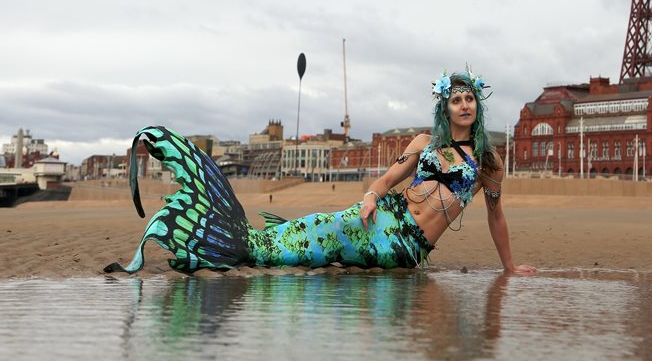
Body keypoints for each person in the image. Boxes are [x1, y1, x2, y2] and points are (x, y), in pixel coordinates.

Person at [105, 67, 536, 275]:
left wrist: (510, 267)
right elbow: (385, 182)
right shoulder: (424, 144)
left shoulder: (488, 163)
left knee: (327, 239)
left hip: (408, 247)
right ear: (445, 107)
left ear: (477, 106)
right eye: (455, 99)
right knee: (319, 229)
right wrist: (369, 197)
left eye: (469, 100)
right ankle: (222, 245)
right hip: (384, 217)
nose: (463, 105)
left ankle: (228, 244)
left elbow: (496, 216)